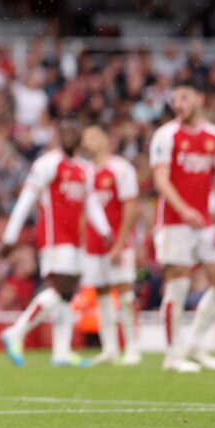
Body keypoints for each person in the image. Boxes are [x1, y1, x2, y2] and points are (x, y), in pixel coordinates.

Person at [0, 121, 113, 368]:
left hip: (75, 239)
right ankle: (16, 331)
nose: (69, 136)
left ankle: (61, 352)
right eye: (65, 132)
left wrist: (104, 230)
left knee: (68, 294)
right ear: (59, 137)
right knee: (61, 290)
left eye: (74, 131)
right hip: (54, 237)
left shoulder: (84, 169)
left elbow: (91, 203)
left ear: (81, 137)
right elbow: (27, 198)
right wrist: (10, 237)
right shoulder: (48, 163)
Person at [149, 81, 215, 373]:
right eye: (174, 100)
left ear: (200, 97)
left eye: (184, 97)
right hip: (174, 222)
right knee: (178, 283)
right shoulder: (166, 135)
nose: (178, 104)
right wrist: (183, 210)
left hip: (205, 223)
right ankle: (173, 355)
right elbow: (161, 180)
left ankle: (195, 343)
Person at [80, 126, 141, 366]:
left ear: (106, 139)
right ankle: (110, 348)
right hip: (93, 245)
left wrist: (120, 242)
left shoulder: (120, 168)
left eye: (93, 136)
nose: (88, 142)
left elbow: (130, 206)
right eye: (86, 138)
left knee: (125, 294)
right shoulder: (84, 172)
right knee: (102, 295)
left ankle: (133, 347)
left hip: (117, 242)